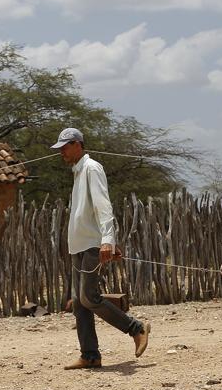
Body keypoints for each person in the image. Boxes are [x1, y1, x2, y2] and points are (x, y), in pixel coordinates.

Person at [52, 127, 150, 369]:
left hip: (92, 244)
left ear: (77, 144)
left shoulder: (92, 168)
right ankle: (90, 356)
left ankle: (136, 328)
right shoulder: (78, 172)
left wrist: (108, 239)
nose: (62, 153)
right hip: (79, 245)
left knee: (89, 297)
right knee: (78, 301)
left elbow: (103, 206)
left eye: (65, 147)